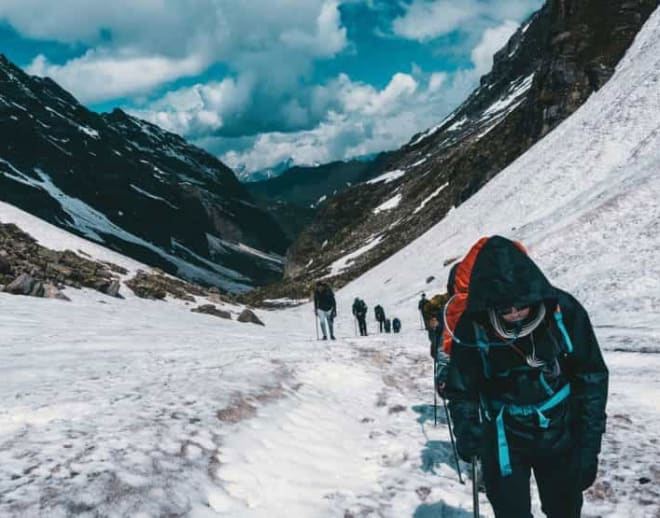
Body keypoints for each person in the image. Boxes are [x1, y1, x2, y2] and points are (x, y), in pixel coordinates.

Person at [444, 236, 608, 518]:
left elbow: (591, 376)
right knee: (511, 512)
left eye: (520, 305)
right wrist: (469, 432)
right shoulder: (474, 325)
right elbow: (462, 388)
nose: (514, 314)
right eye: (504, 309)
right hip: (503, 433)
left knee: (564, 510)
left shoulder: (562, 310)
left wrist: (588, 445)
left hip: (560, 430)